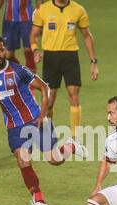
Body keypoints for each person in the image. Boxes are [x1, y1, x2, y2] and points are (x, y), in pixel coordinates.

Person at [0, 35, 87, 205]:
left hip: (35, 119)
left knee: (54, 160)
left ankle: (71, 146)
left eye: (0, 50)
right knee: (23, 159)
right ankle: (39, 200)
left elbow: (44, 88)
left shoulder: (19, 70)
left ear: (5, 50)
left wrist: (43, 116)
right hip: (14, 126)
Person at [30, 0, 99, 138]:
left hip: (70, 56)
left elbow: (87, 36)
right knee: (49, 100)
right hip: (50, 57)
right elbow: (33, 35)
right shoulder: (43, 10)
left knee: (74, 95)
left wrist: (93, 62)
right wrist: (35, 50)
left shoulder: (78, 10)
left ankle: (76, 138)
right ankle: (48, 134)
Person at [0, 0, 43, 73]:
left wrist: (40, 18)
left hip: (27, 18)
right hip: (9, 19)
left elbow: (39, 1)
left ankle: (31, 80)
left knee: (28, 49)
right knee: (8, 54)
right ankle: (20, 71)